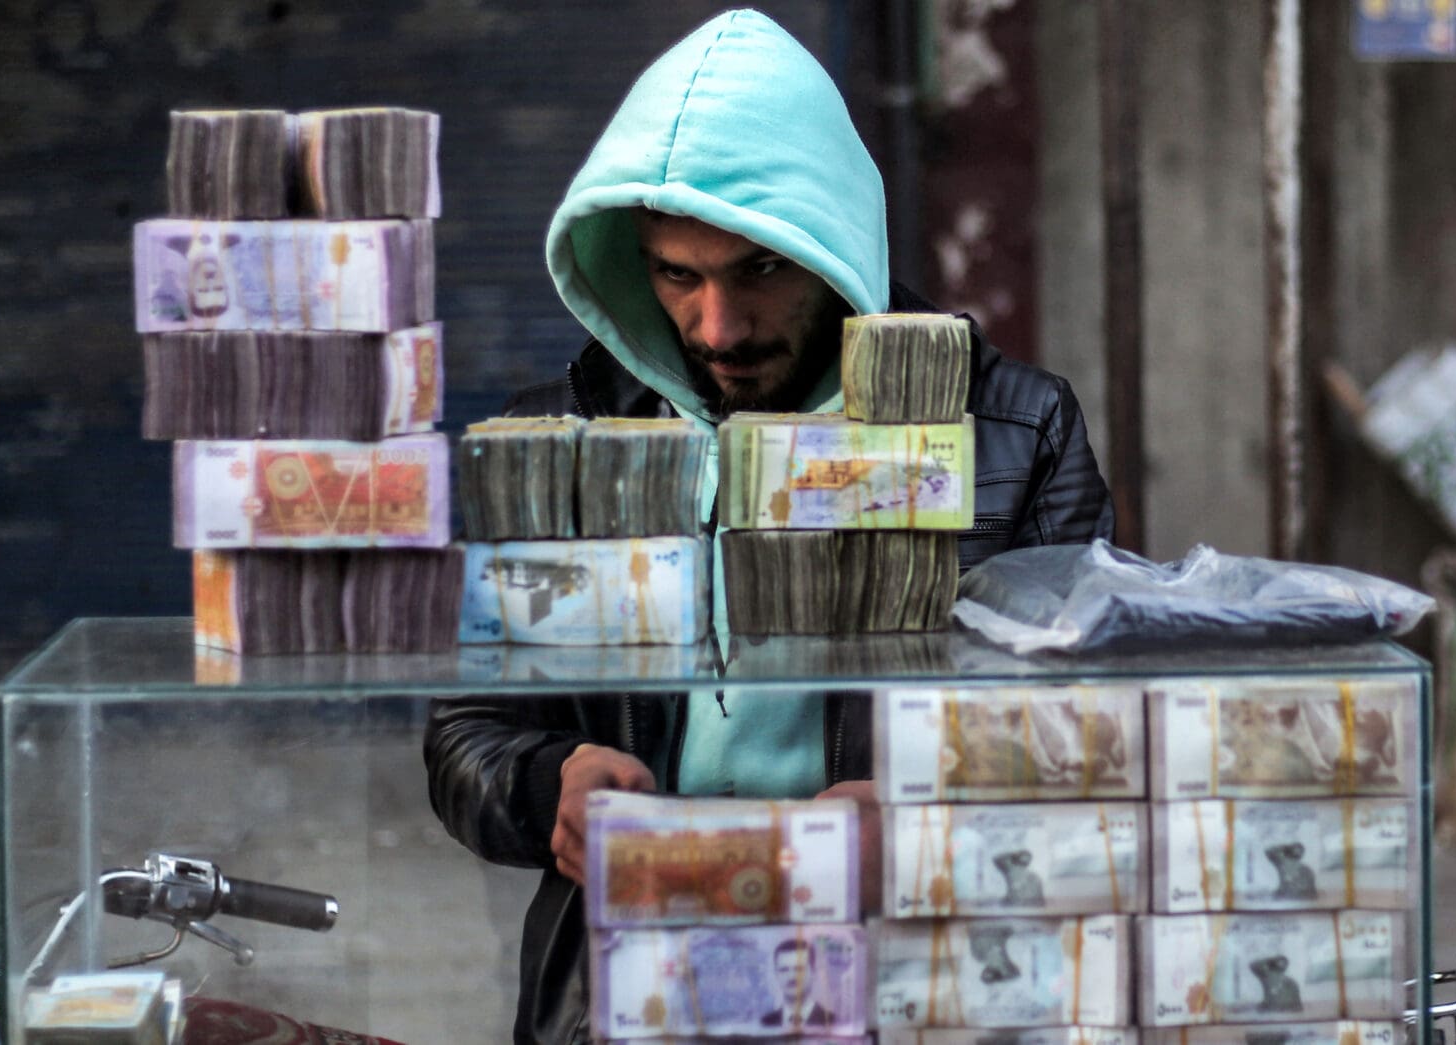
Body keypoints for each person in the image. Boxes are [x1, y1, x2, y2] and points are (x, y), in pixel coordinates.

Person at [424, 9, 1112, 1043]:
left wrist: (930, 813)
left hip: (917, 974)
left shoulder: (1012, 429)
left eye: (758, 271)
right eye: (675, 275)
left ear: (832, 247)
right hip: (631, 971)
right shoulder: (559, 440)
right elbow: (464, 733)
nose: (717, 329)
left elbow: (1106, 730)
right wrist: (546, 783)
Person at [758, 938, 835, 1028]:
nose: (791, 977)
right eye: (784, 970)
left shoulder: (833, 1022)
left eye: (799, 969)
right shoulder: (765, 1023)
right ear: (776, 975)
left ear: (814, 973)